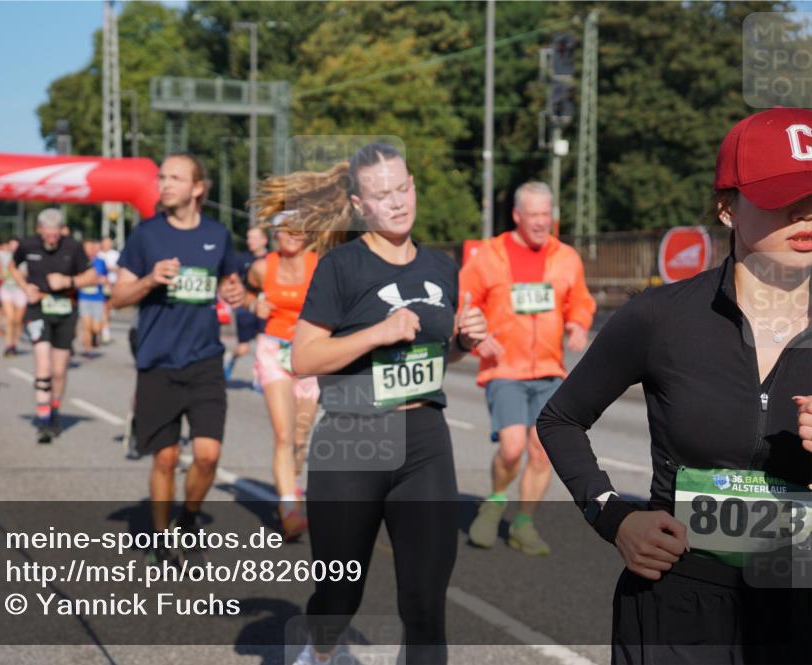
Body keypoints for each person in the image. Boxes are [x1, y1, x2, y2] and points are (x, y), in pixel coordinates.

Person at [538, 107, 812, 663]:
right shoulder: (660, 317)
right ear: (727, 208)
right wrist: (614, 517)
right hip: (678, 605)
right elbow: (561, 419)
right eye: (784, 194)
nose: (805, 212)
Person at [284, 143, 487, 665]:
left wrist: (462, 342)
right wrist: (377, 333)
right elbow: (302, 357)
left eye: (402, 188)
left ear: (414, 185)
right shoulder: (341, 267)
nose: (397, 203)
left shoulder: (442, 267)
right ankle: (318, 649)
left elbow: (435, 358)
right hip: (353, 435)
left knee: (424, 605)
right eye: (381, 195)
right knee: (338, 597)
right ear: (358, 205)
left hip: (424, 440)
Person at [111, 153, 245, 563]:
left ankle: (188, 518)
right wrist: (150, 279)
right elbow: (116, 299)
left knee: (207, 455)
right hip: (158, 360)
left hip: (204, 359)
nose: (164, 184)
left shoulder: (217, 235)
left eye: (174, 178)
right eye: (161, 177)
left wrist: (235, 293)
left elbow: (230, 282)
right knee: (166, 458)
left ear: (197, 188)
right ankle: (162, 538)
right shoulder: (146, 236)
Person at [459, 181, 595, 556]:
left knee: (542, 451)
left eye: (545, 215)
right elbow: (465, 304)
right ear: (517, 216)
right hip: (504, 368)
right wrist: (477, 335)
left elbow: (580, 300)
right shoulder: (489, 256)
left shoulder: (566, 257)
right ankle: (495, 501)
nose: (540, 222)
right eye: (532, 215)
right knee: (513, 447)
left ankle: (524, 524)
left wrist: (579, 323)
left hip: (550, 369)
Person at [244, 211, 319, 540]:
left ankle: (292, 485)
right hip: (273, 350)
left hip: (311, 352)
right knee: (284, 435)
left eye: (297, 229)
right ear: (275, 235)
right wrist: (253, 305)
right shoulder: (262, 268)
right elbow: (246, 294)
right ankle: (289, 509)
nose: (291, 234)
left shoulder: (320, 267)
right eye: (283, 230)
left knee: (301, 437)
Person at [8, 208, 98, 444]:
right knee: (43, 364)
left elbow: (92, 277)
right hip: (38, 309)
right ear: (39, 229)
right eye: (47, 234)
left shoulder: (73, 247)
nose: (51, 238)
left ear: (62, 231)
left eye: (55, 234)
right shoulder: (28, 245)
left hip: (65, 309)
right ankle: (43, 419)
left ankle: (55, 409)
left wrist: (69, 281)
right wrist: (25, 287)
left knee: (59, 370)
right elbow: (12, 266)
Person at [225, 225, 270, 382]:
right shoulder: (241, 259)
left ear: (264, 240)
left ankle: (261, 379)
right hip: (246, 308)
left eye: (254, 237)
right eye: (248, 237)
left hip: (266, 308)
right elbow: (231, 281)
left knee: (263, 344)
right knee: (243, 348)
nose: (250, 241)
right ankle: (231, 359)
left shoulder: (273, 259)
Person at [77, 238, 108, 356]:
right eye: (87, 248)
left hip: (97, 298)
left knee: (96, 328)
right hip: (84, 298)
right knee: (86, 325)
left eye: (92, 248)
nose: (90, 250)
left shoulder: (100, 262)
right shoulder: (79, 262)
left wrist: (102, 280)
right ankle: (88, 350)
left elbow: (105, 277)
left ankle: (95, 337)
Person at [0, 238, 26, 356]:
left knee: (17, 320)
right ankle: (9, 345)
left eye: (16, 246)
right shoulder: (4, 256)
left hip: (20, 291)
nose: (13, 248)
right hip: (7, 290)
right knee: (10, 318)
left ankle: (15, 342)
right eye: (11, 245)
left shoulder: (25, 259)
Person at [98, 236, 121, 344]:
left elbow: (121, 268)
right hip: (100, 285)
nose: (107, 244)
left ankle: (104, 330)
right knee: (103, 309)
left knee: (107, 309)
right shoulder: (98, 254)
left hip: (112, 284)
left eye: (109, 242)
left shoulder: (115, 254)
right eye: (105, 242)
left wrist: (112, 268)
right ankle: (104, 333)